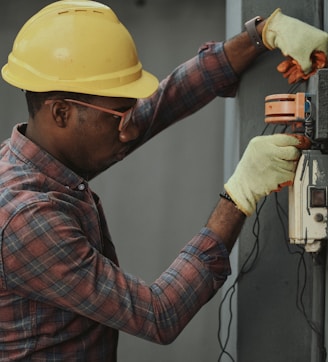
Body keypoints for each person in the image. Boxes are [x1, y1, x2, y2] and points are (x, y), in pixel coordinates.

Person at [0, 1, 327, 360]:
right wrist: (239, 195)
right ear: (61, 112)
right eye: (119, 117)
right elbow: (158, 315)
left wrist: (262, 34)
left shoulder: (39, 156)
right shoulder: (26, 218)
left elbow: (165, 102)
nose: (128, 131)